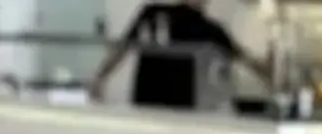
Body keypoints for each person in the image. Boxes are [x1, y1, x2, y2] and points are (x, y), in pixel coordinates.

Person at [89, 0, 270, 110]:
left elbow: (122, 48)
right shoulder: (154, 13)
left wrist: (100, 77)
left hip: (164, 109)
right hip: (166, 110)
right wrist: (100, 78)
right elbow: (122, 48)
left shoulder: (211, 30)